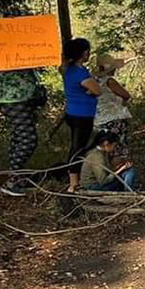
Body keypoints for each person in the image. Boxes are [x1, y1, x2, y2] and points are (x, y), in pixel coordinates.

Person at [62, 38, 102, 193]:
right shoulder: (79, 73)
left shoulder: (69, 69)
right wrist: (91, 90)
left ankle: (76, 179)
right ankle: (73, 183)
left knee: (78, 146)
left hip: (74, 112)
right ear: (83, 53)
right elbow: (97, 90)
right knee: (78, 148)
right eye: (87, 51)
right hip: (82, 115)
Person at [0, 69, 43, 192]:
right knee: (29, 139)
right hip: (15, 99)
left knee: (19, 137)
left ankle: (17, 178)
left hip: (21, 98)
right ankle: (12, 180)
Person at [93, 54, 133, 163]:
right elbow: (126, 95)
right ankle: (120, 171)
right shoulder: (109, 81)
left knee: (105, 148)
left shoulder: (94, 81)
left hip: (99, 119)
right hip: (114, 117)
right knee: (118, 147)